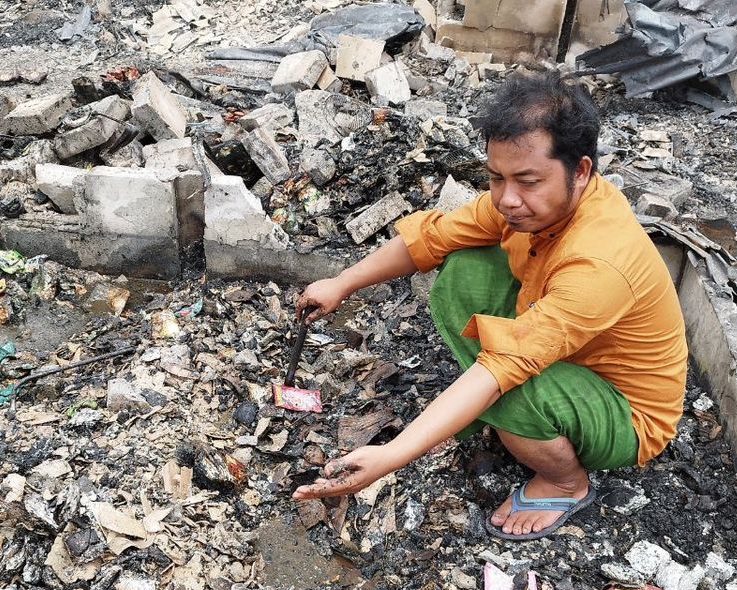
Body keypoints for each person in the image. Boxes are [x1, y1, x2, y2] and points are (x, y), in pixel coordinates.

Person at [292, 70, 687, 541]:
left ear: (580, 171)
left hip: (625, 413)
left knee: (509, 385)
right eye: (496, 178)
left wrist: (390, 456)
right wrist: (342, 282)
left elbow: (505, 365)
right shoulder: (534, 207)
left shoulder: (600, 260)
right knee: (465, 265)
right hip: (560, 346)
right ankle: (490, 406)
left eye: (527, 181)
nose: (508, 199)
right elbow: (434, 236)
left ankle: (565, 481)